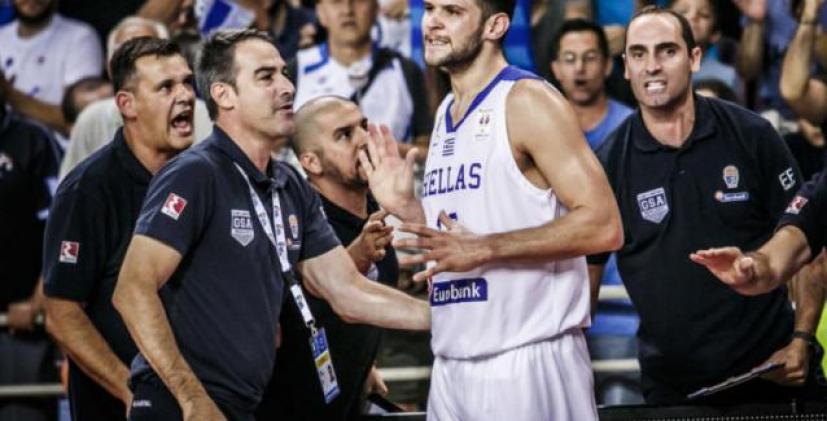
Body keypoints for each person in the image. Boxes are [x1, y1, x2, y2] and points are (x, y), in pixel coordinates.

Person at [113, 29, 429, 421]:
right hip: (179, 404)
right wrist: (191, 398)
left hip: (242, 405)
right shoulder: (196, 174)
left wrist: (446, 318)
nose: (287, 87)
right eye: (266, 77)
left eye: (284, 73)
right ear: (224, 95)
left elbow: (347, 290)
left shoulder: (289, 183)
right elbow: (132, 289)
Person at [357, 0, 624, 416]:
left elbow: (604, 224)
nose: (432, 22)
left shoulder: (527, 100)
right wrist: (409, 209)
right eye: (430, 8)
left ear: (495, 26)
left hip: (525, 359)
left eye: (452, 11)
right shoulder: (446, 111)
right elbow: (464, 236)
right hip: (452, 360)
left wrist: (486, 248)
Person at [590, 5, 824, 404]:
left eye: (667, 51)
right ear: (625, 67)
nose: (652, 66)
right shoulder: (607, 163)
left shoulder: (753, 135)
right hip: (673, 390)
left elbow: (809, 243)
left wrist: (802, 338)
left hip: (774, 375)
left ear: (694, 58)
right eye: (639, 54)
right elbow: (585, 280)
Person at [42, 37, 195, 421]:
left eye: (187, 82)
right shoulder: (89, 189)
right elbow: (62, 313)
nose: (185, 96)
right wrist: (132, 393)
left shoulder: (204, 177)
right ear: (127, 104)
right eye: (166, 87)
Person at [259, 96, 398, 420]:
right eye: (344, 135)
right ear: (312, 162)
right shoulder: (293, 220)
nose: (363, 139)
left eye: (363, 126)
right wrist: (355, 260)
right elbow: (296, 311)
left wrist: (363, 364)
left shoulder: (375, 208)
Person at [59, 16, 212, 179]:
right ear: (110, 69)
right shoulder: (91, 120)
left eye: (150, 51)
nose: (185, 95)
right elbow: (70, 184)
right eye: (125, 56)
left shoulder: (204, 117)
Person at [0, 68, 61, 421]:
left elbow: (60, 227)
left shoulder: (33, 140)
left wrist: (38, 298)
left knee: (23, 413)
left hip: (20, 321)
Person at [291, 0, 431, 154]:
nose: (347, 10)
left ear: (376, 8)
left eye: (358, 1)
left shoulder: (406, 70)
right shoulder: (297, 69)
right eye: (336, 2)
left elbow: (428, 149)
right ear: (320, 12)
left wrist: (387, 151)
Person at [0, 0, 103, 134]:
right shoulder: (2, 37)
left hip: (54, 143)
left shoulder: (80, 37)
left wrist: (10, 95)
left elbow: (81, 122)